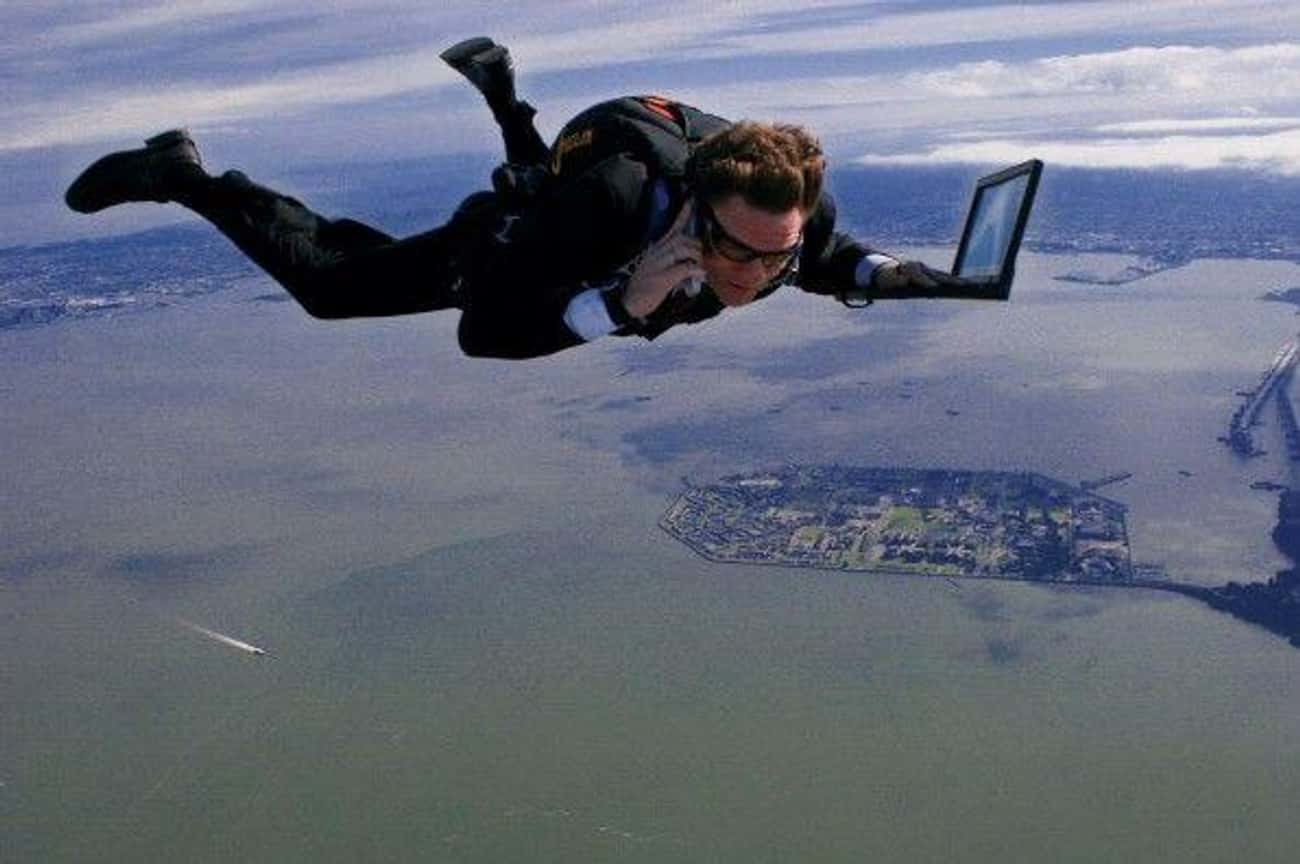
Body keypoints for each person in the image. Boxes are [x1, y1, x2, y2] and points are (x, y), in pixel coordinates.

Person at [65, 37, 960, 360]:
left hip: (577, 214)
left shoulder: (795, 218)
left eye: (777, 254)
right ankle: (185, 175)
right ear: (694, 210)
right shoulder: (611, 207)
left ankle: (506, 101)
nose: (759, 275)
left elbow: (824, 259)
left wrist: (887, 273)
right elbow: (485, 332)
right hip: (516, 245)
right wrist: (619, 305)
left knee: (532, 204)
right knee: (333, 286)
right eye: (739, 251)